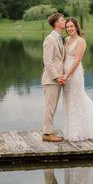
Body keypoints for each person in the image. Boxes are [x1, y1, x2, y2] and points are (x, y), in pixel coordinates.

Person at [41, 13, 66, 142]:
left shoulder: (60, 38)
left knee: (52, 107)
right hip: (50, 80)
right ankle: (47, 134)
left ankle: (49, 131)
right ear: (56, 23)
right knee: (50, 107)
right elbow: (48, 62)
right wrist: (57, 78)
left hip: (56, 79)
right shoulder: (50, 39)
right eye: (62, 20)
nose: (65, 21)